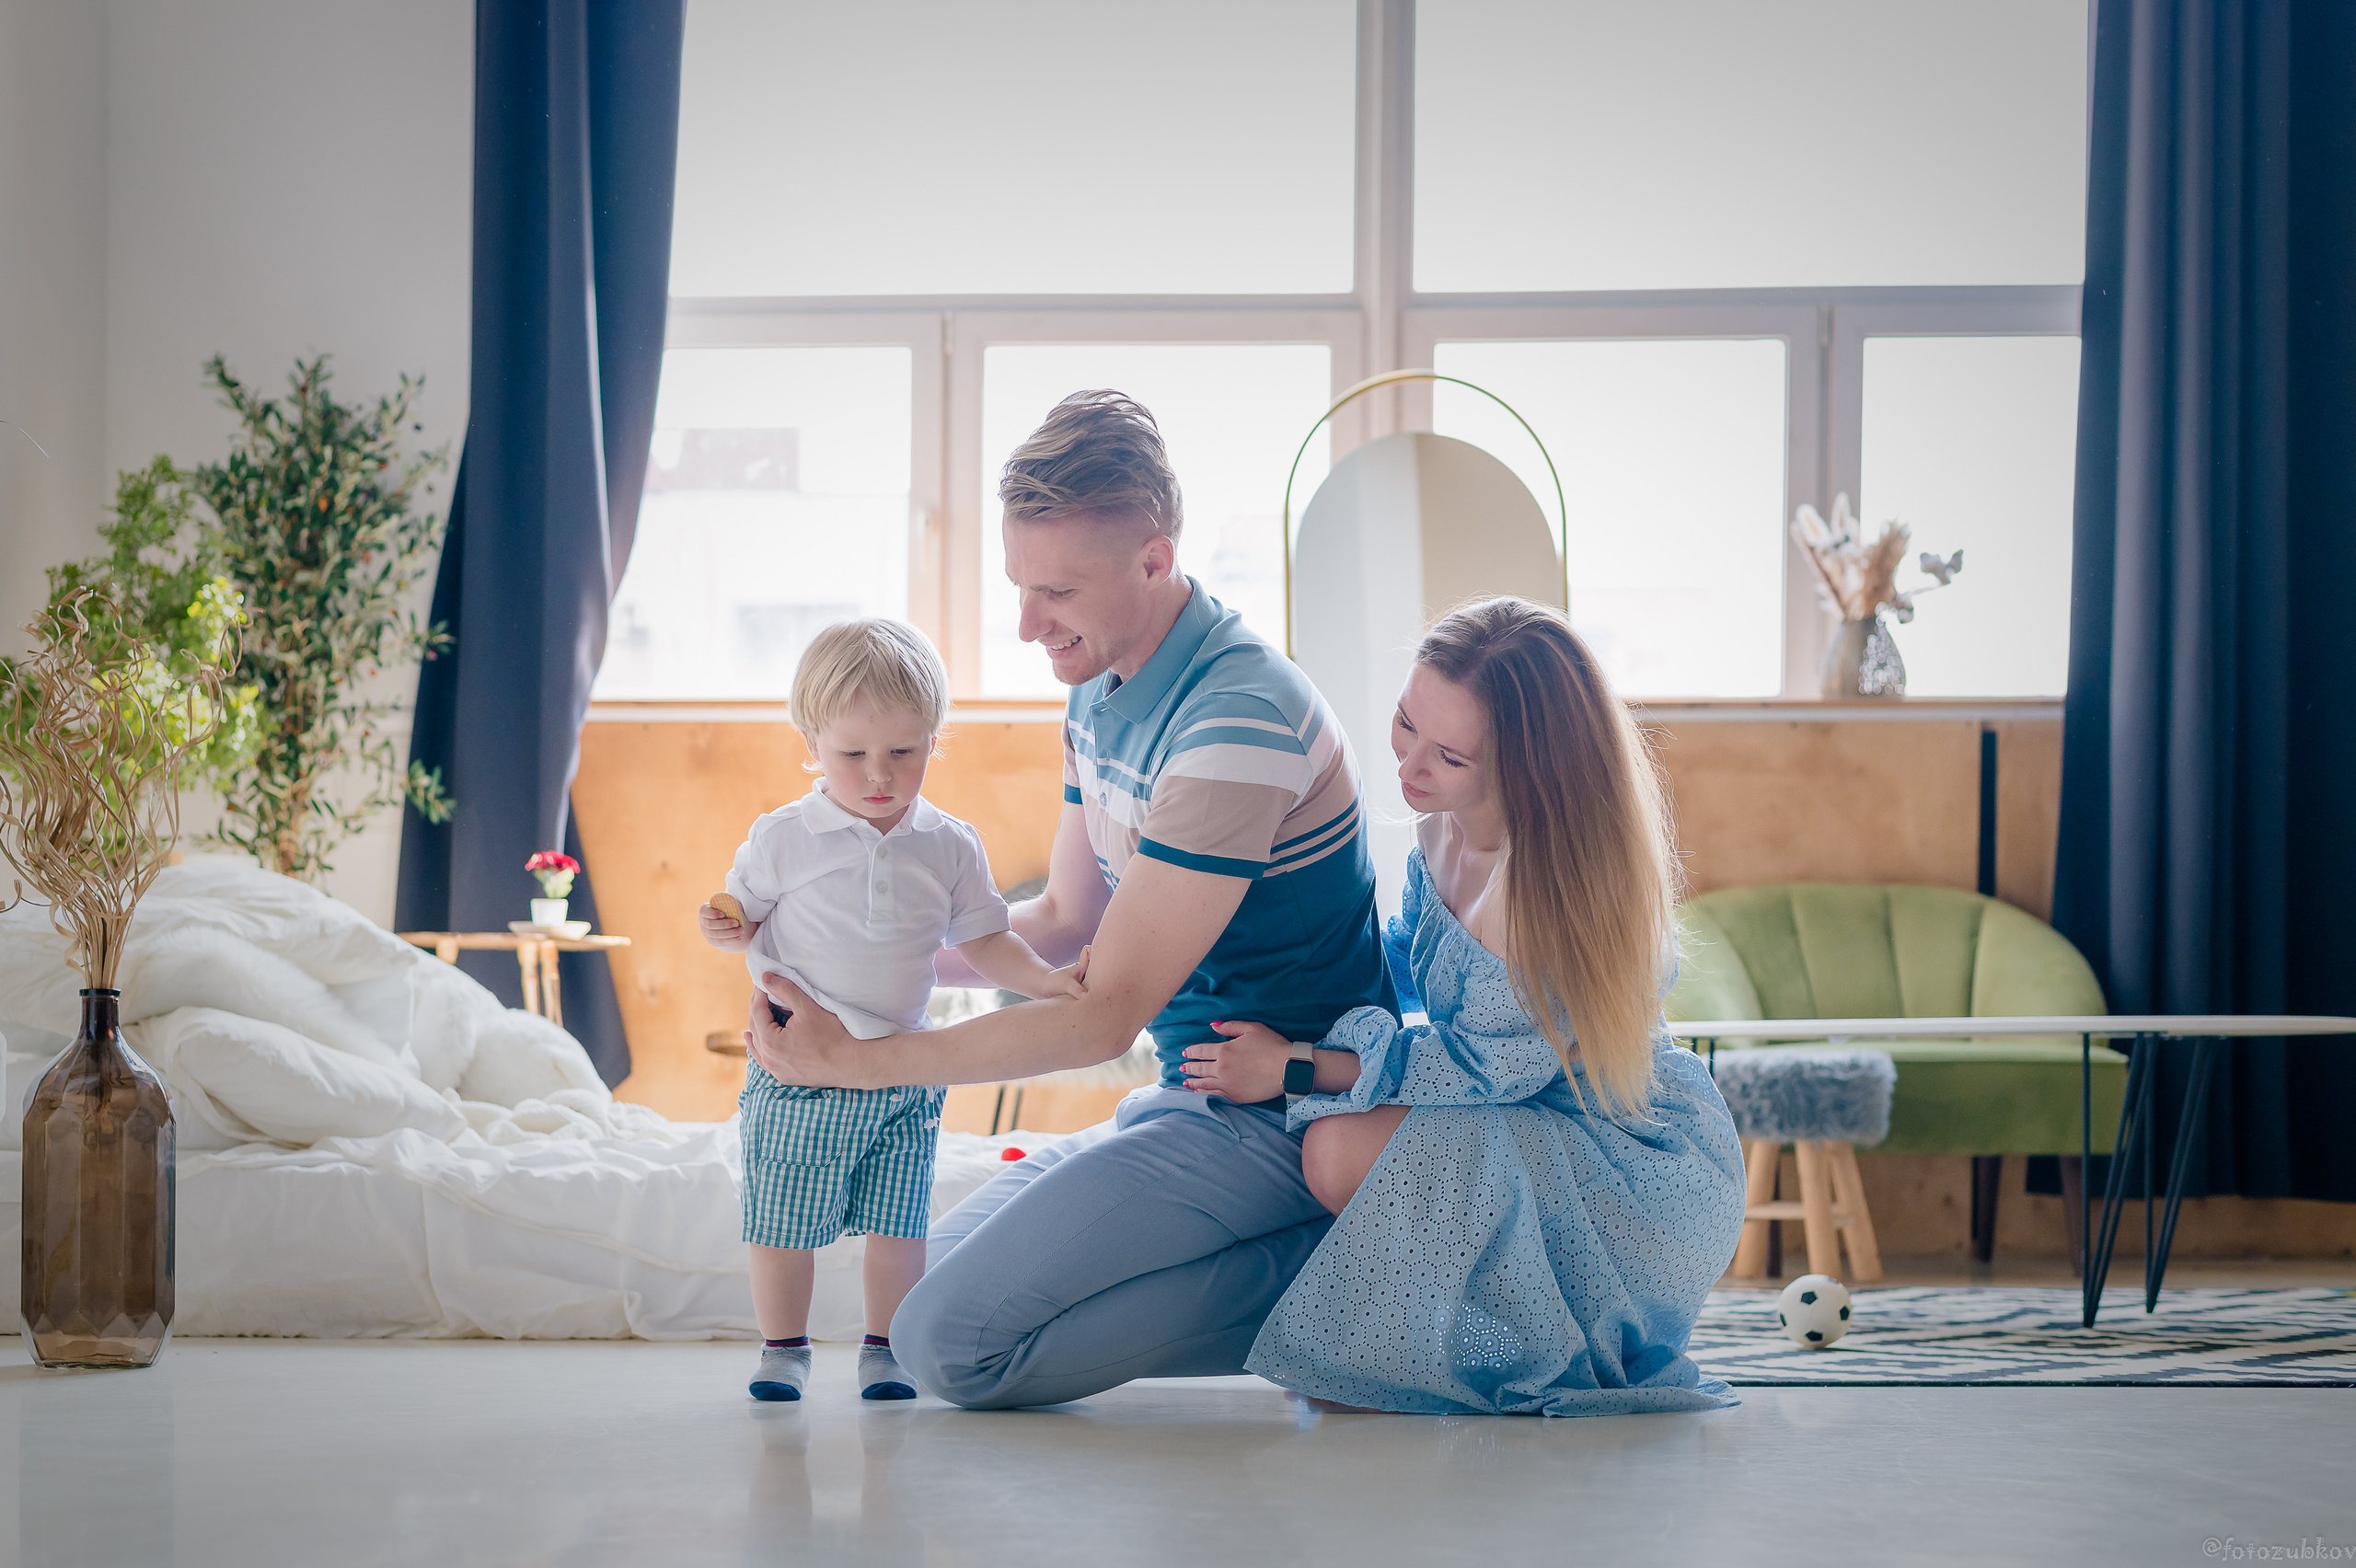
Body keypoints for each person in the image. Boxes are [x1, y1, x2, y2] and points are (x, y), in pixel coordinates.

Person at [743, 389, 1397, 1408]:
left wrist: (860, 1063)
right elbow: (1060, 925)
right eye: (1017, 584)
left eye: (1056, 591)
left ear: (1153, 559)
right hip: (1186, 1093)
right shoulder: (1096, 687)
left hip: (1280, 1110)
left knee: (953, 1348)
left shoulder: (1236, 718)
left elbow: (1099, 1016)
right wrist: (834, 959)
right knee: (925, 1289)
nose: (1025, 624)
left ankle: (1362, 1274)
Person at [1180, 597, 1749, 1414]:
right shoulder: (1440, 831)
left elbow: (1486, 1067)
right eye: (1405, 722)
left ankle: (1466, 1353)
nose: (1409, 767)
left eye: (1448, 756)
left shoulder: (1537, 883)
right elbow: (1410, 975)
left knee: (1335, 1149)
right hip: (1513, 1106)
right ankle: (1426, 1344)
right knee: (1335, 1138)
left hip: (1619, 1156)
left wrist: (1296, 1065)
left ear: (1525, 769)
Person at [699, 617, 1086, 1403]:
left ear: (934, 739)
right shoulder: (785, 836)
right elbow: (739, 914)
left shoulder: (947, 844)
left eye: (903, 753)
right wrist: (725, 925)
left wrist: (1042, 982)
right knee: (781, 1223)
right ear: (812, 740)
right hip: (797, 1070)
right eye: (853, 755)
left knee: (899, 1225)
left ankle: (885, 1349)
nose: (879, 775)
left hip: (905, 1069)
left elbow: (986, 940)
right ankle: (783, 1350)